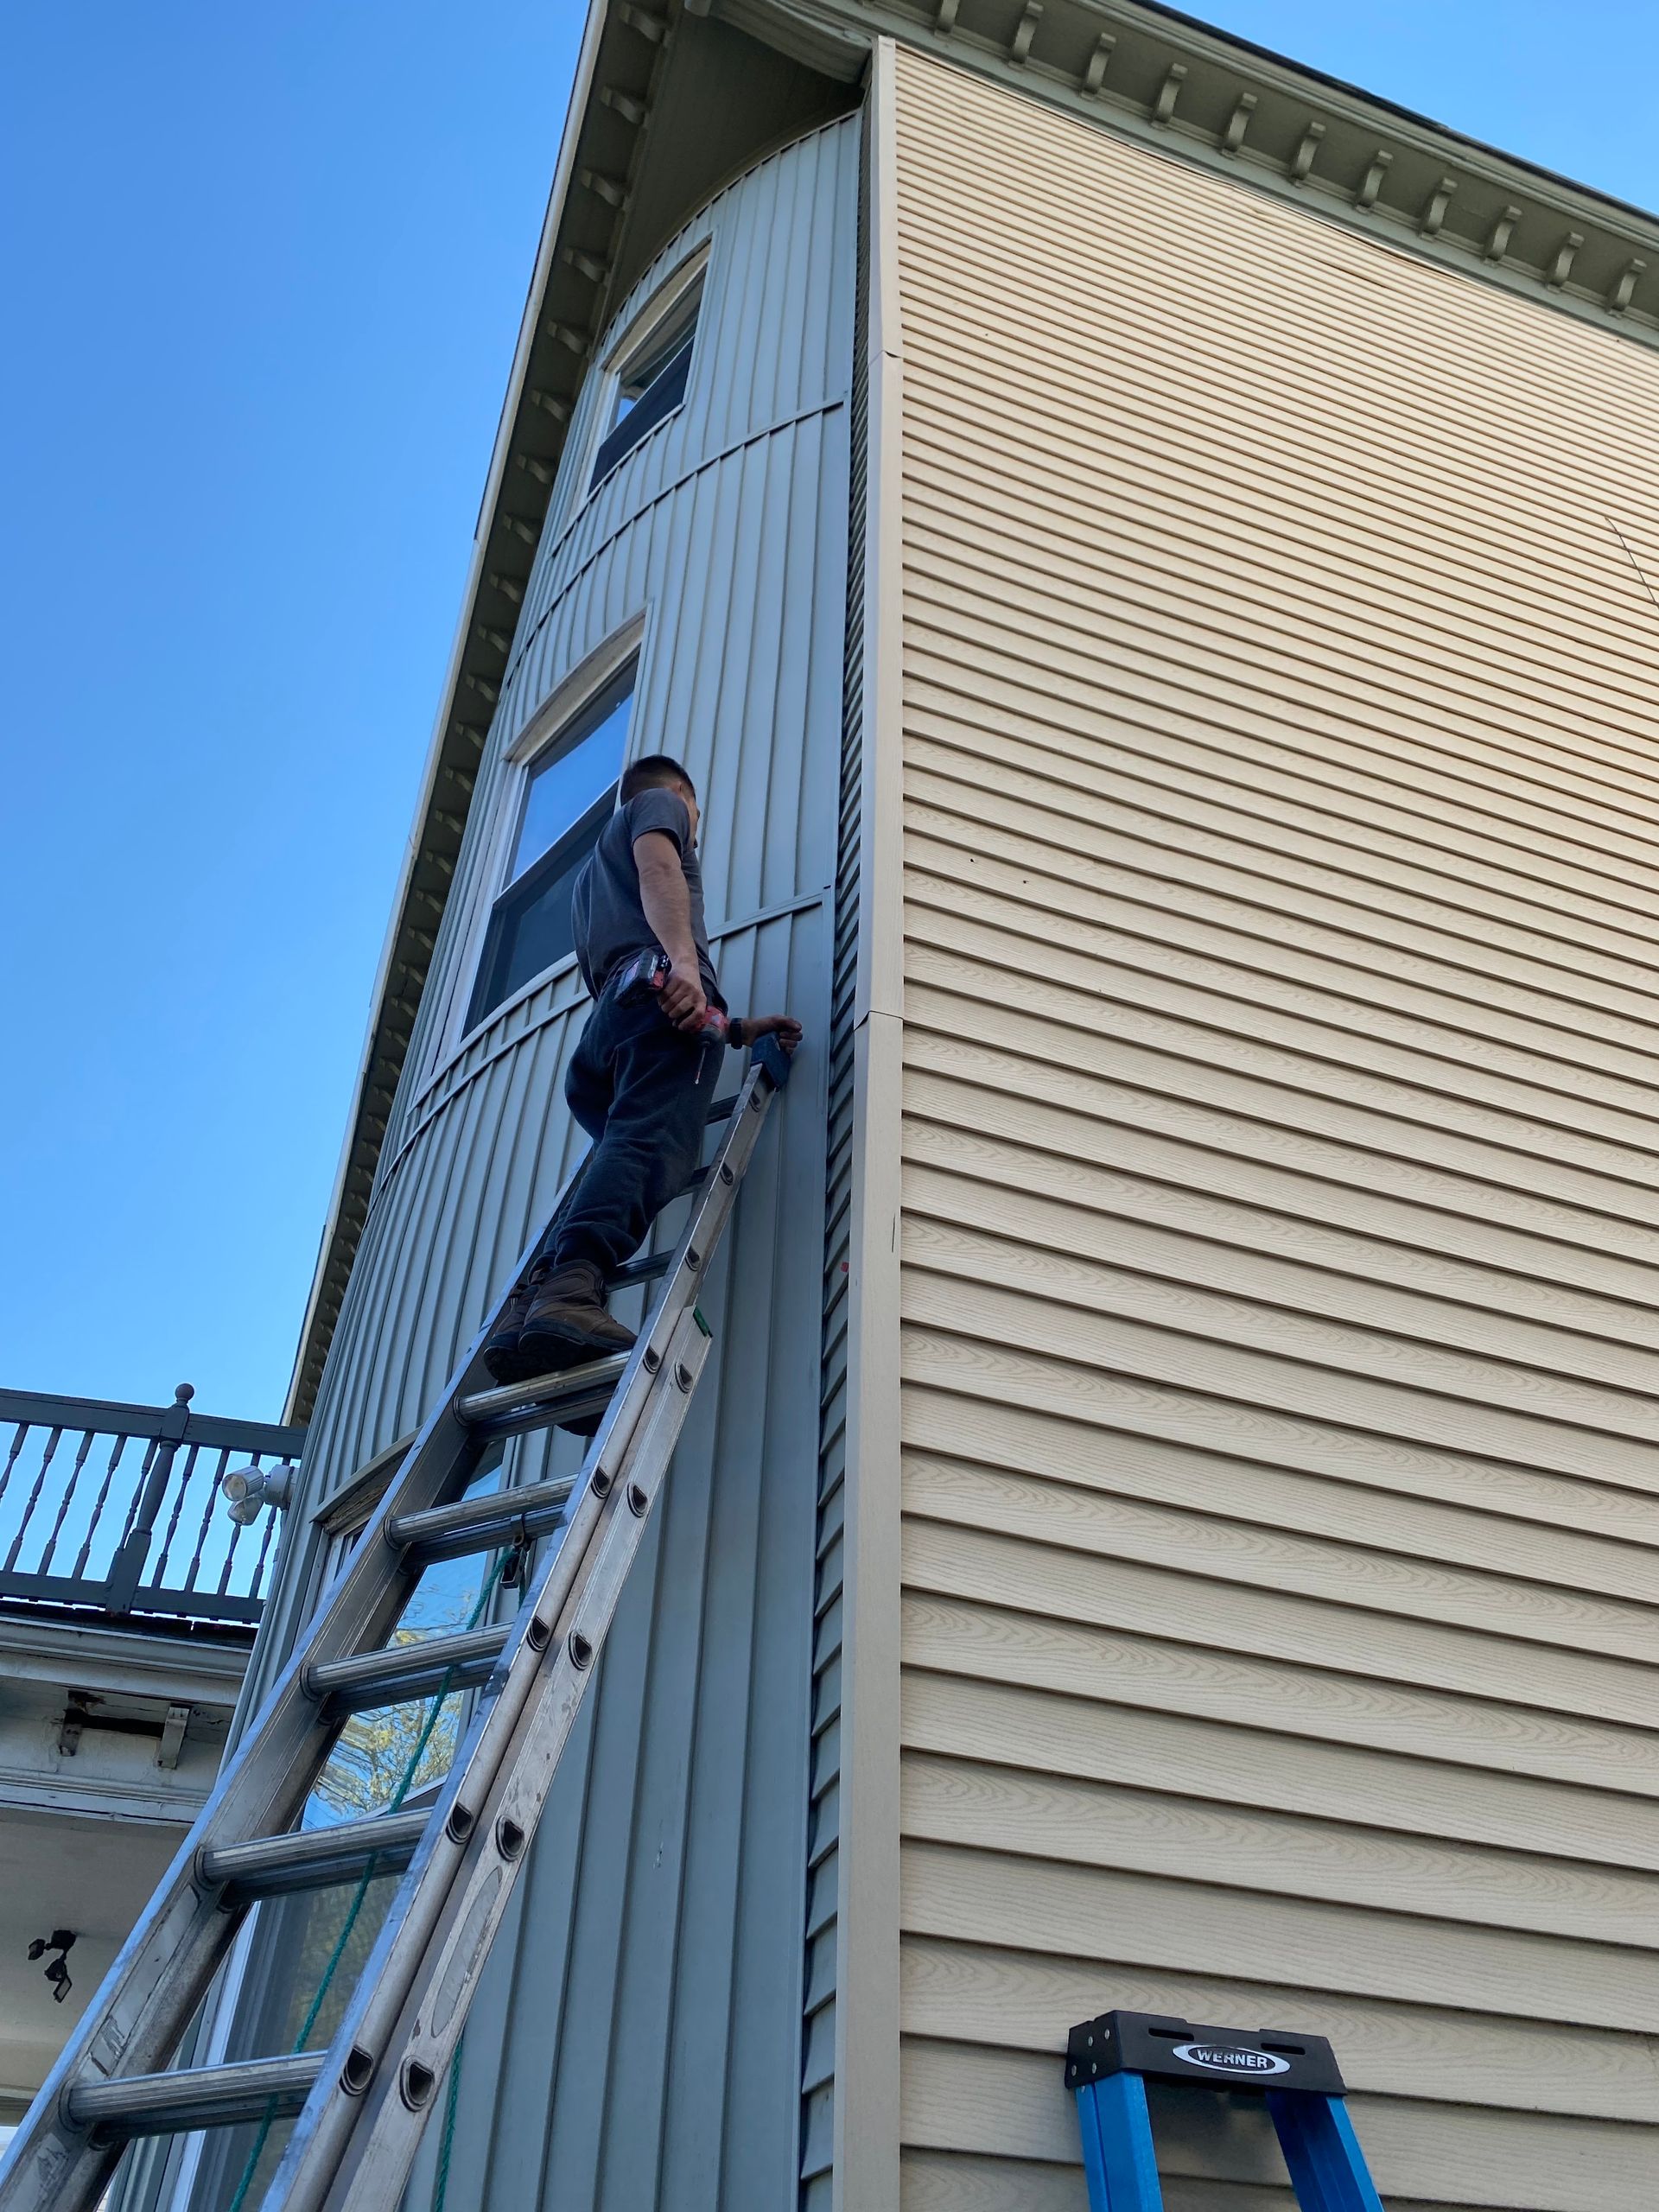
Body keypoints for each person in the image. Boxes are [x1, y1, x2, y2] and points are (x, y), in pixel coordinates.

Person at [482, 753, 801, 1383]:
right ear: (681, 792)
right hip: (654, 997)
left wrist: (733, 1031)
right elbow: (660, 871)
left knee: (623, 1148)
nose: (695, 828)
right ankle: (570, 1292)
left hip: (608, 1032)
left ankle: (534, 1312)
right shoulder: (659, 806)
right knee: (651, 1148)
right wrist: (685, 964)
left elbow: (626, 984)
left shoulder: (586, 885)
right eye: (697, 814)